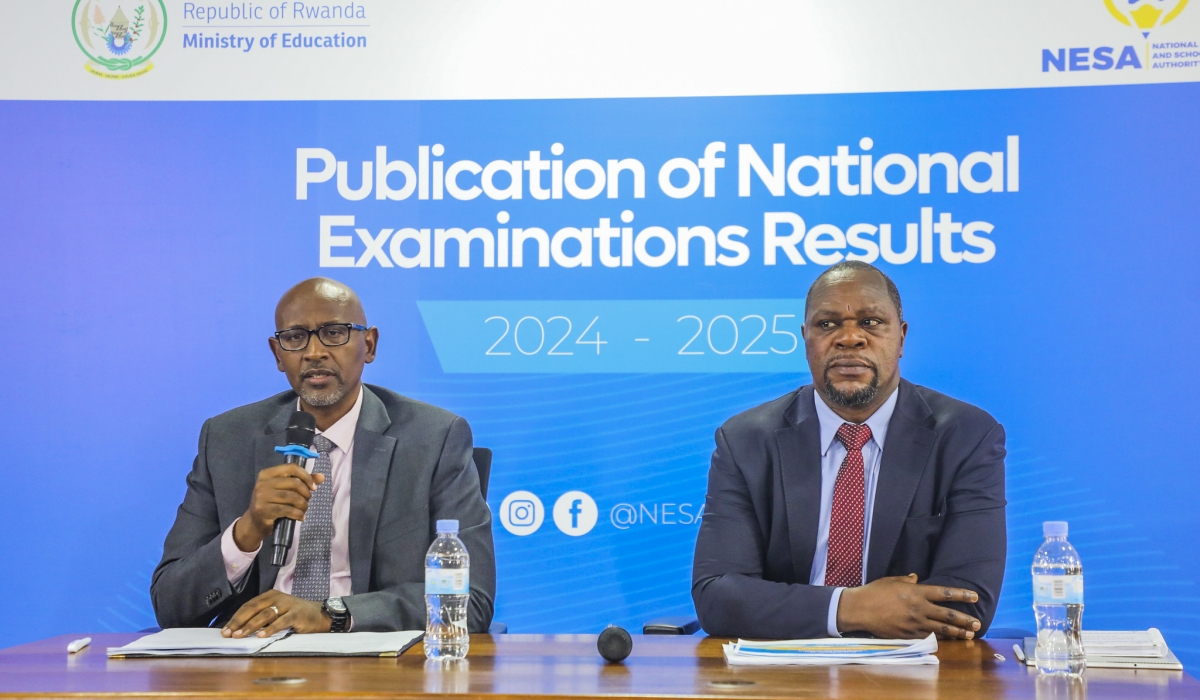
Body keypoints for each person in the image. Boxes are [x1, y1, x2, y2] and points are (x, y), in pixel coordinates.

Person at [152, 278, 495, 637]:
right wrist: (247, 530)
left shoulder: (433, 438)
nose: (314, 351)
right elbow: (169, 604)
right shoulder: (227, 439)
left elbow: (469, 601)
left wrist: (331, 614)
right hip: (254, 664)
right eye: (295, 337)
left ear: (369, 344)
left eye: (334, 333)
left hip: (374, 665)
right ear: (277, 354)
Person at [692, 261, 1006, 640]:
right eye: (827, 325)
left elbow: (967, 606)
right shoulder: (745, 441)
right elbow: (719, 596)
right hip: (782, 673)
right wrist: (851, 607)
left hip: (913, 681)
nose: (850, 338)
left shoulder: (966, 436)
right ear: (805, 339)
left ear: (902, 338)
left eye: (871, 322)